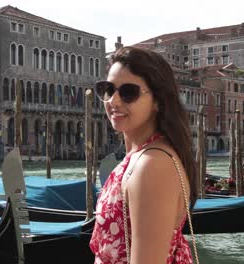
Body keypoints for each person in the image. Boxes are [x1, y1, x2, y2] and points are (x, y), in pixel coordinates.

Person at [89, 47, 198, 264]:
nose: (114, 101)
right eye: (108, 89)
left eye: (129, 92)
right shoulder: (140, 156)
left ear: (158, 101)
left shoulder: (152, 165)